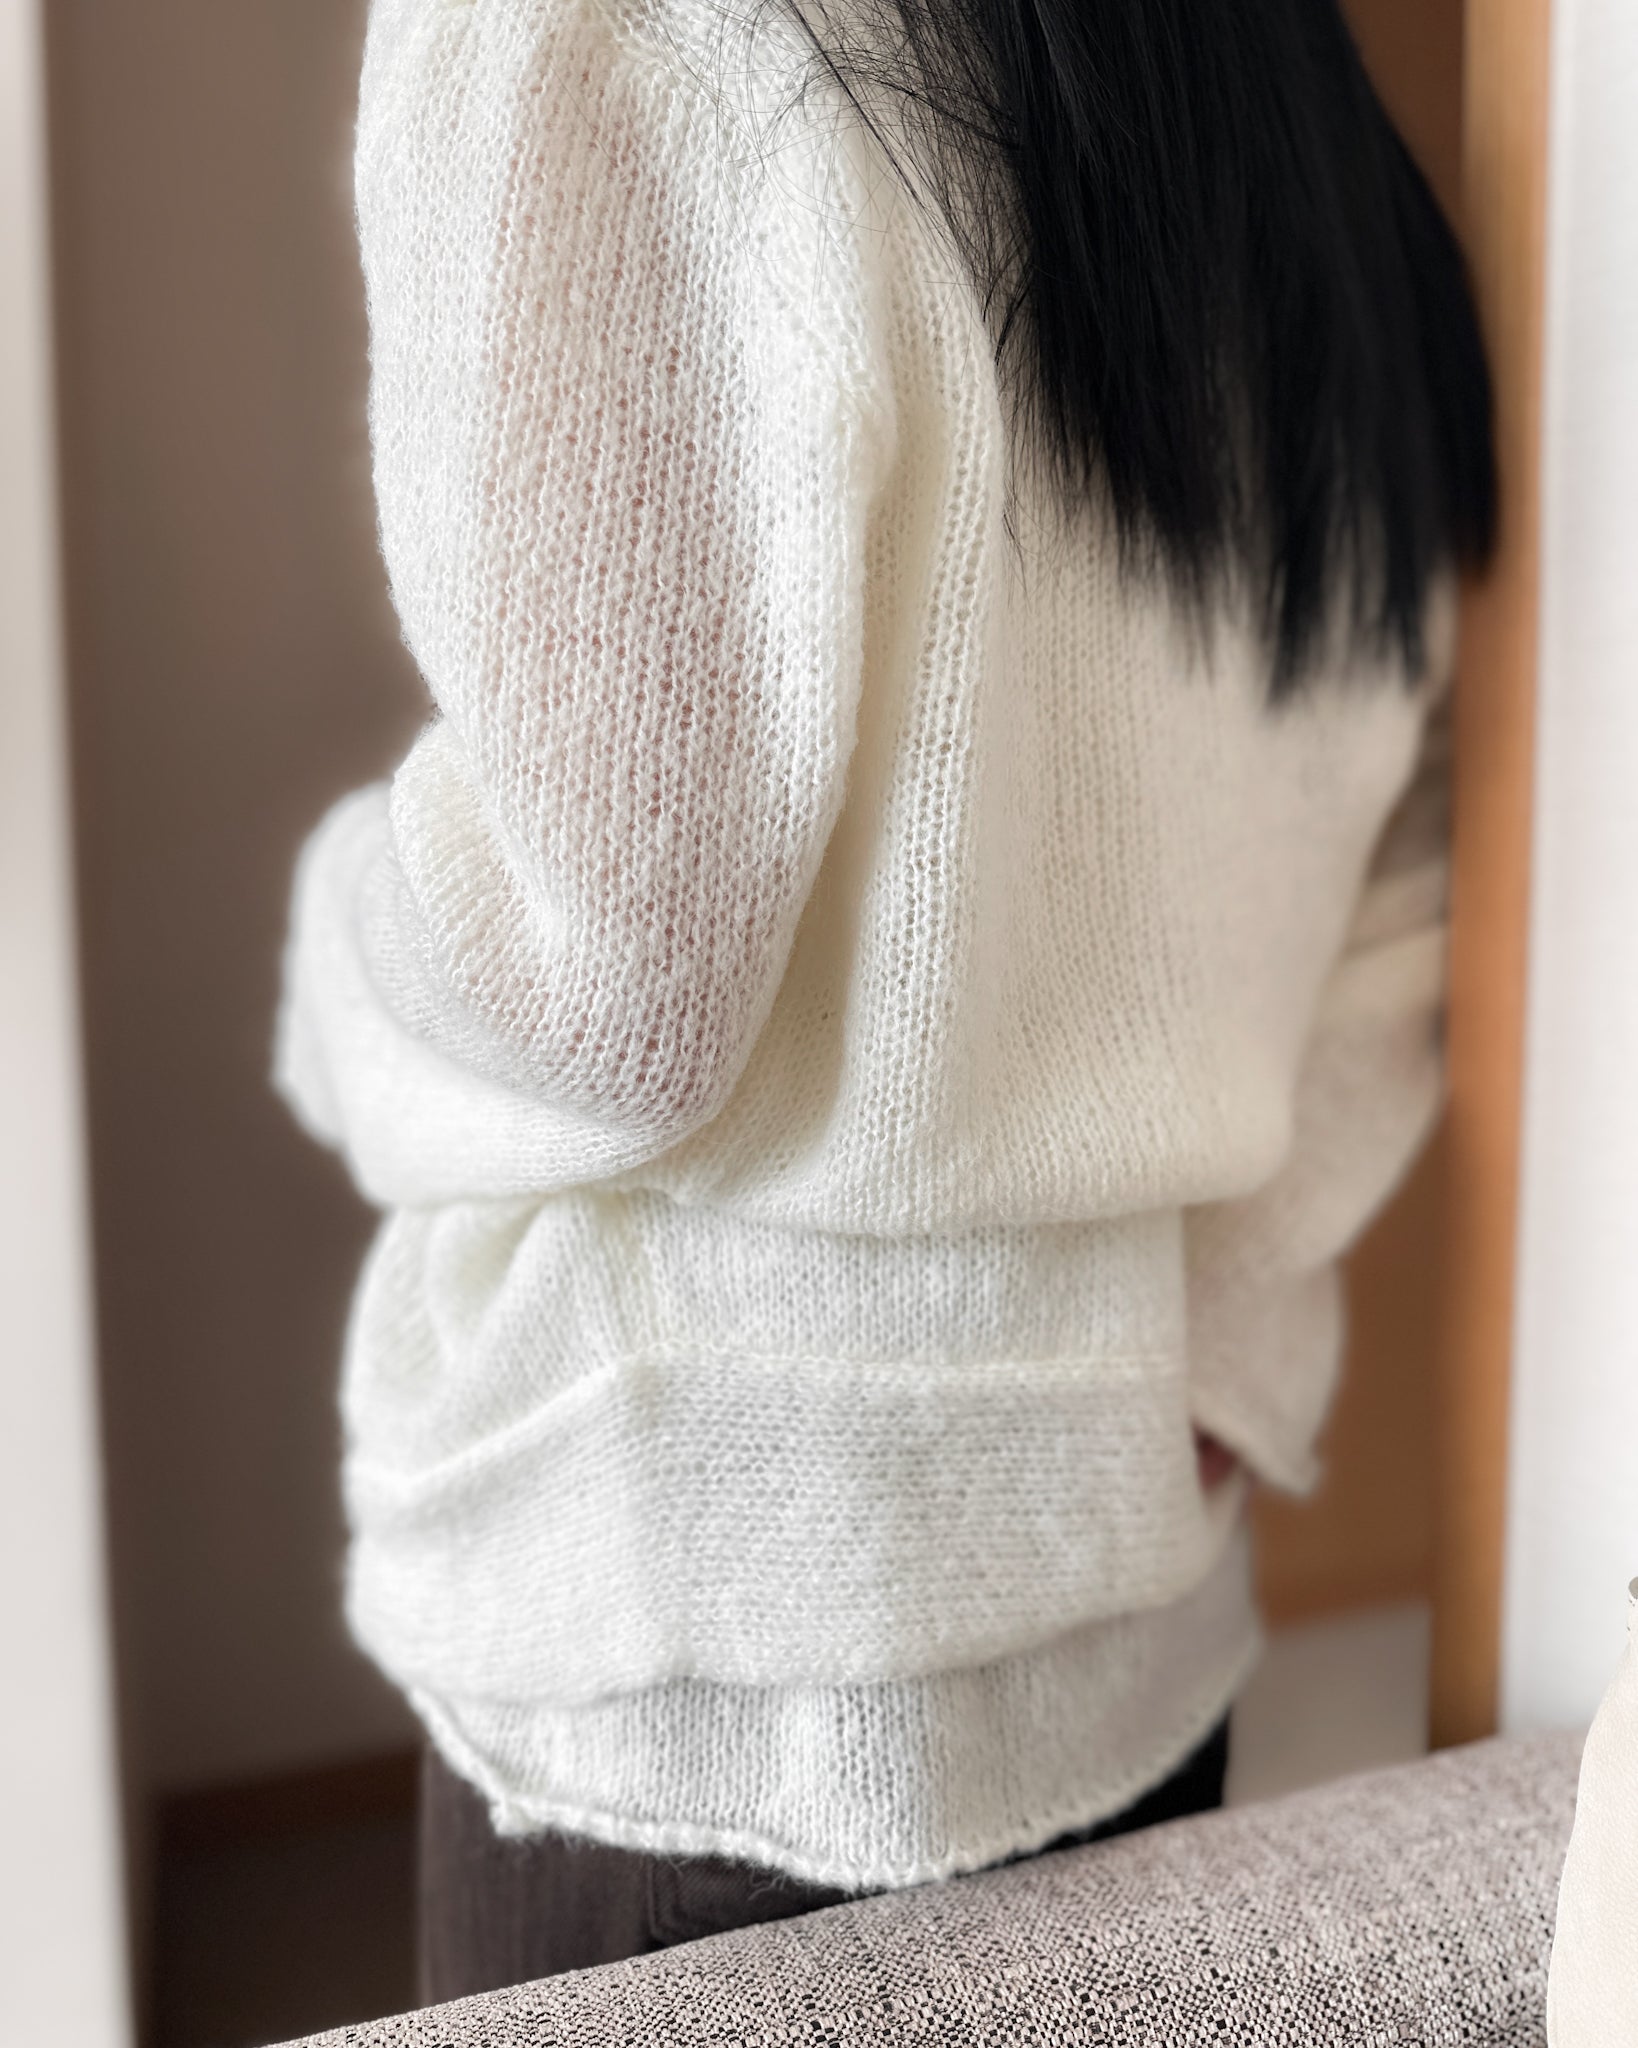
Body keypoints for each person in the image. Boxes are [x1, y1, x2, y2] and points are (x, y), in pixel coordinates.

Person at [274, 0, 1495, 2001]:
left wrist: (328, 967)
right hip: (1128, 1605)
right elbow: (1420, 790)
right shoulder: (1255, 62)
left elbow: (606, 985)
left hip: (697, 1650)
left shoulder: (593, 32)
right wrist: (1210, 1338)